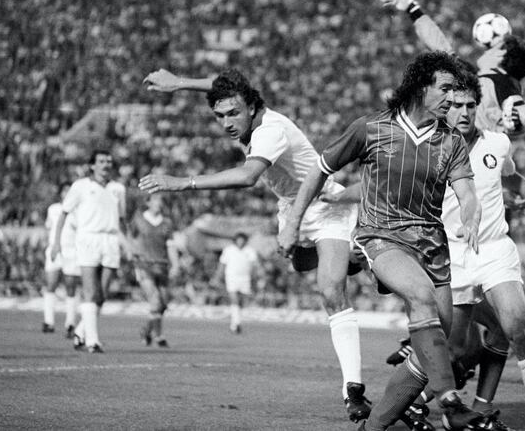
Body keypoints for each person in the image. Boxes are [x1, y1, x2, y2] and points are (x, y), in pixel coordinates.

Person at [139, 67, 371, 423]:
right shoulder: (246, 108)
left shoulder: (271, 131)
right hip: (289, 208)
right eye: (220, 116)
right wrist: (180, 84)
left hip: (326, 207)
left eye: (233, 113)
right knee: (297, 262)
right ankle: (353, 259)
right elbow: (228, 87)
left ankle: (352, 389)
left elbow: (247, 178)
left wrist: (180, 182)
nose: (227, 123)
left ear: (251, 107)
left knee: (330, 292)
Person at [278, 51, 485, 431]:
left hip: (433, 245)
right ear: (421, 87)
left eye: (456, 90)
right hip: (382, 237)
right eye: (446, 89)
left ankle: (373, 427)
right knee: (420, 297)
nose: (452, 99)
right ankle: (451, 401)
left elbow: (467, 191)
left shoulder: (451, 141)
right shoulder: (371, 128)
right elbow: (318, 172)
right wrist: (293, 223)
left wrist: (471, 213)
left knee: (431, 351)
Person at [387, 80, 525, 431]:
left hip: (494, 250)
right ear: (445, 108)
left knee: (516, 327)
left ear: (478, 108)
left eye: (470, 106)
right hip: (453, 256)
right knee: (457, 348)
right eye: (456, 106)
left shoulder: (498, 143)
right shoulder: (429, 148)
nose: (464, 113)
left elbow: (513, 178)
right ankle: (409, 401)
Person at [380, 0, 525, 137]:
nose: (488, 50)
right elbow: (439, 44)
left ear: (503, 54)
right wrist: (412, 7)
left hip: (486, 151)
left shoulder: (501, 81)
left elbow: (520, 111)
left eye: (500, 45)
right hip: (466, 149)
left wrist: (517, 122)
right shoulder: (477, 76)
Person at [52, 150, 128, 354]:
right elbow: (64, 213)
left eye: (109, 161)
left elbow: (122, 220)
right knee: (90, 291)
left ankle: (80, 331)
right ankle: (92, 341)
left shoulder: (118, 188)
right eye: (101, 161)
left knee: (101, 295)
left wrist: (127, 244)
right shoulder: (81, 186)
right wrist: (56, 243)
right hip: (88, 238)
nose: (106, 165)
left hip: (110, 240)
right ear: (92, 165)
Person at [129, 193, 177, 348]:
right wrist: (134, 258)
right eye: (155, 199)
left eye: (161, 200)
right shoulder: (138, 220)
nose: (159, 203)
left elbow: (170, 246)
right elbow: (131, 240)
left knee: (162, 304)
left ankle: (146, 330)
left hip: (162, 266)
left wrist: (175, 264)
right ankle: (159, 337)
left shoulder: (167, 223)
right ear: (148, 202)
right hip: (144, 265)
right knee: (155, 300)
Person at [42, 182, 80, 338]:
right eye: (65, 190)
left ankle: (70, 323)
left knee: (71, 286)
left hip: (72, 251)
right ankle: (48, 321)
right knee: (51, 284)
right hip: (55, 249)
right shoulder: (53, 209)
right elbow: (49, 228)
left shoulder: (78, 210)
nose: (67, 193)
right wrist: (51, 245)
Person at [212, 232, 259, 334]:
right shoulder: (228, 250)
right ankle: (236, 324)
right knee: (234, 299)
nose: (240, 242)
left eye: (242, 240)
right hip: (232, 277)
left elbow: (254, 266)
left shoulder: (250, 251)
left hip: (245, 278)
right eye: (239, 240)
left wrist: (255, 278)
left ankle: (235, 322)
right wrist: (217, 277)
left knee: (241, 302)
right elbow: (222, 265)